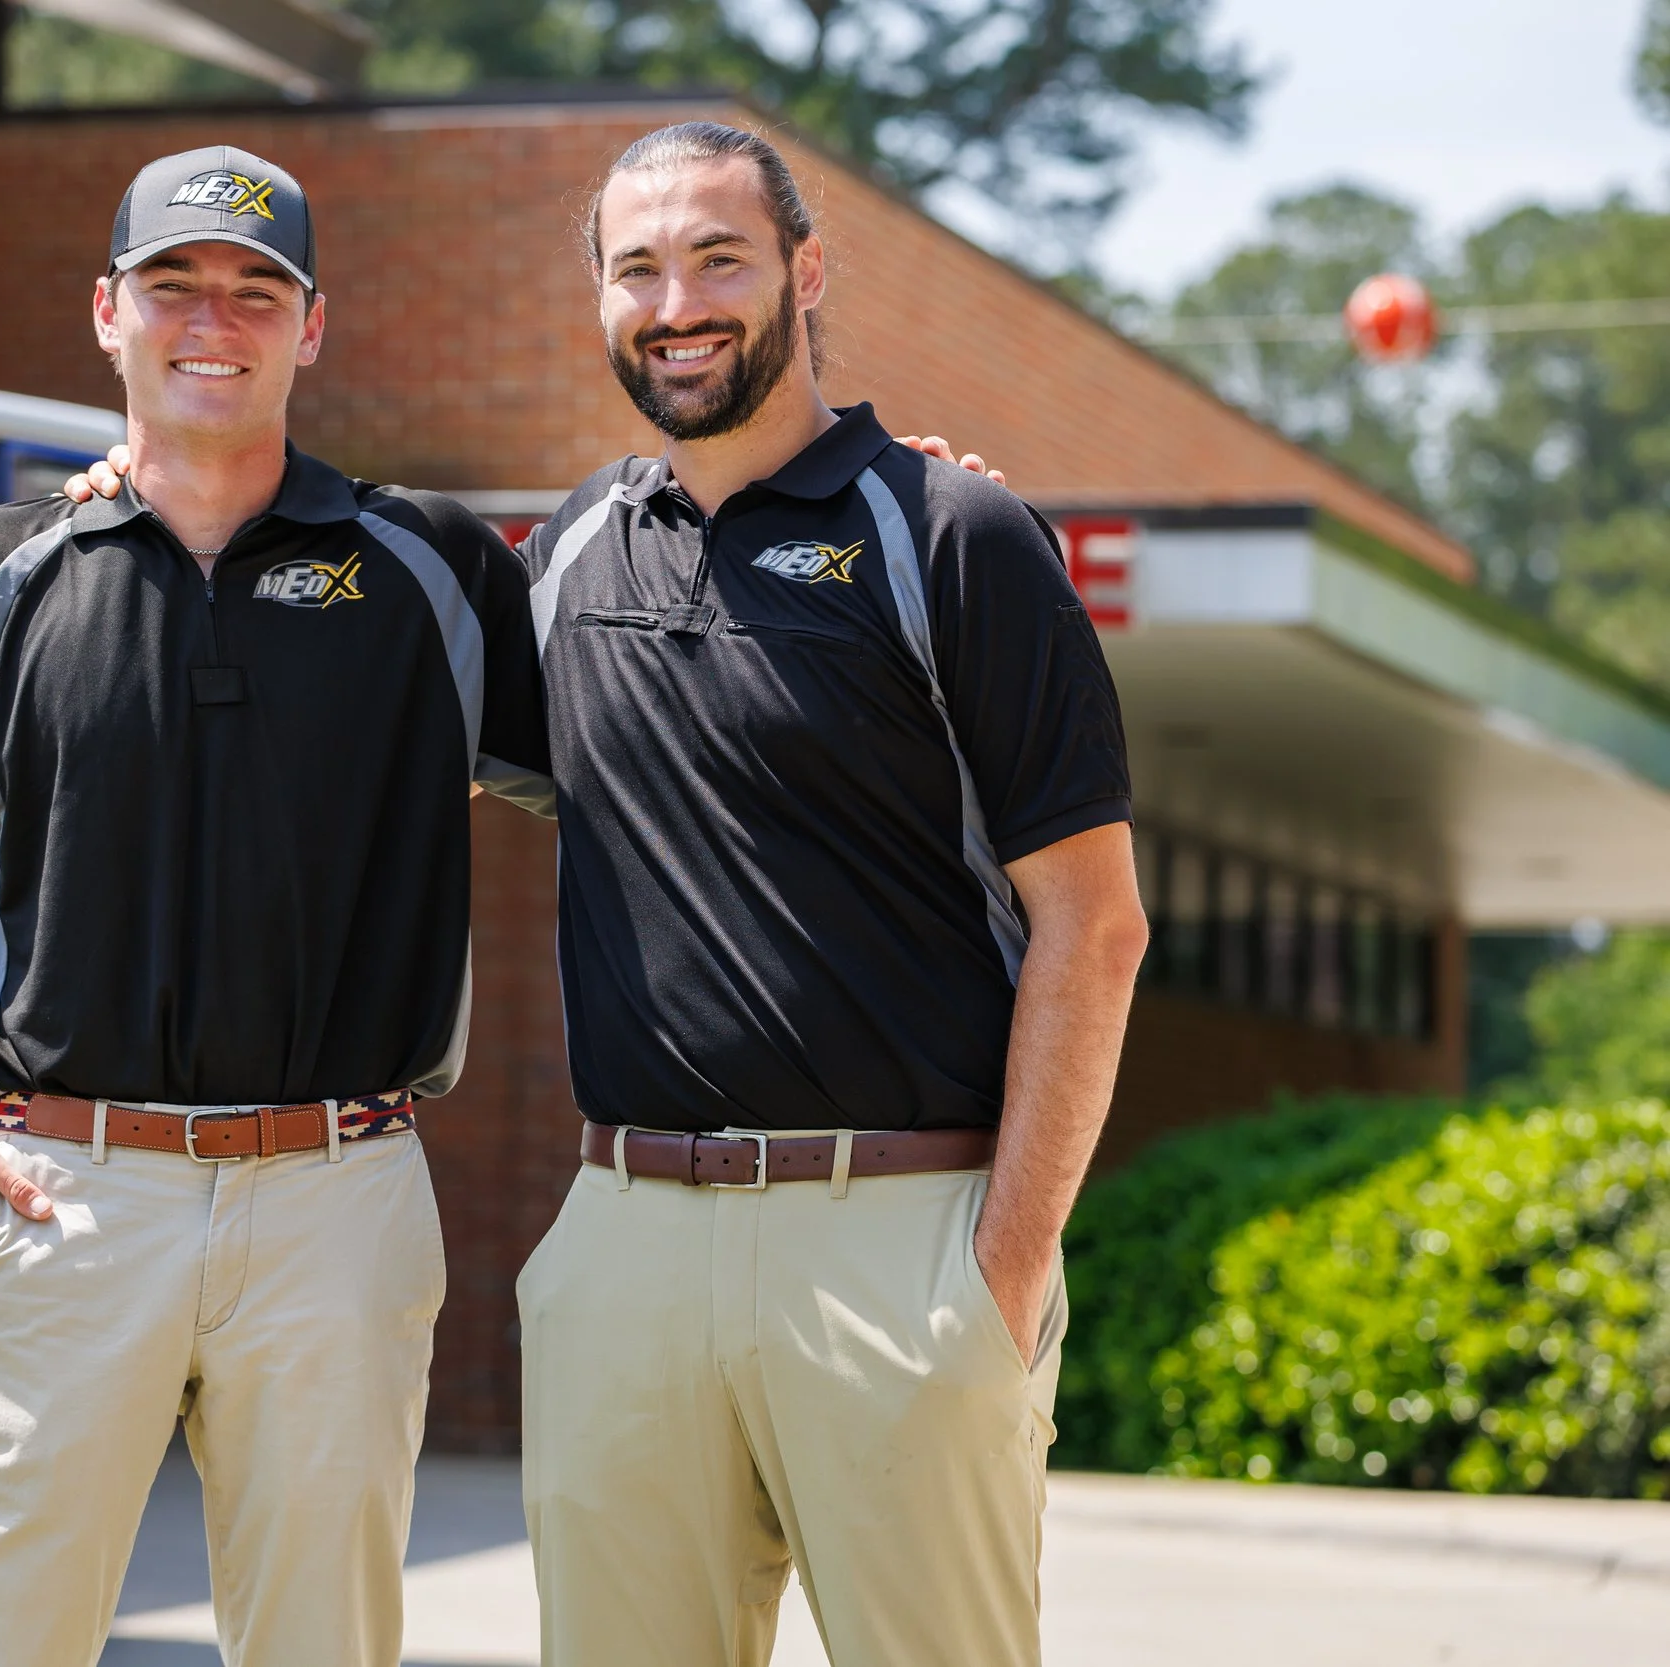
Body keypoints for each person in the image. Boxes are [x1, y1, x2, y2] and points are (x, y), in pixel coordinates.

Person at [0, 144, 548, 1667]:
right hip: (65, 1193)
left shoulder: (433, 572)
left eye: (258, 290)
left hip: (337, 1193)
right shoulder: (0, 570)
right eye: (175, 285)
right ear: (106, 314)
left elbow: (643, 747)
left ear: (312, 327)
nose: (217, 318)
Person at [513, 121, 1148, 1667]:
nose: (679, 302)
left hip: (906, 1242)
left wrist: (1000, 1267)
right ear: (599, 299)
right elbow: (341, 665)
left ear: (808, 271)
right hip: (626, 1251)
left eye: (718, 257)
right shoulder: (561, 566)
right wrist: (146, 463)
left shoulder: (955, 535)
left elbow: (1095, 921)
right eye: (638, 268)